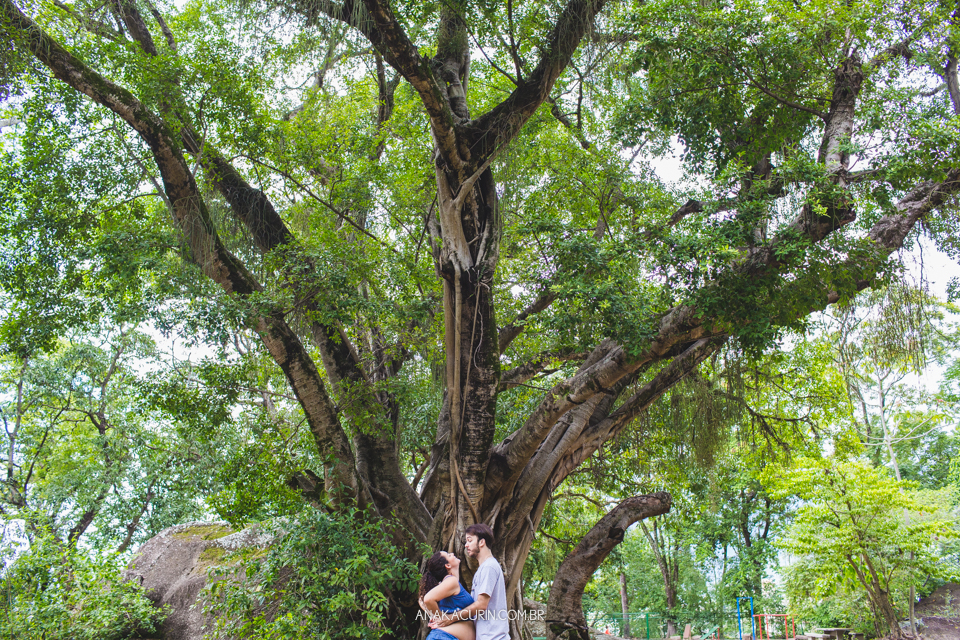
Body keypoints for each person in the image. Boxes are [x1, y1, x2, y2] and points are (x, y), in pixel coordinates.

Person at [432, 523, 509, 640]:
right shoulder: (482, 569)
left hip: (494, 637)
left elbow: (481, 605)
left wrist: (451, 618)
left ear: (481, 542)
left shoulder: (489, 567)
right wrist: (442, 618)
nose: (466, 545)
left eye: (470, 540)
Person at [420, 550, 476, 640]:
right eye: (449, 555)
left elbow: (421, 600)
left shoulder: (446, 586)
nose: (452, 554)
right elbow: (427, 599)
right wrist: (441, 618)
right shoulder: (451, 581)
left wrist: (435, 615)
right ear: (448, 565)